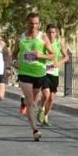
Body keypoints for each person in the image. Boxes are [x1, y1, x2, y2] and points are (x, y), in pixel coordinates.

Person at [14, 12, 54, 141]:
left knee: (34, 102)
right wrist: (14, 62)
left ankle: (24, 102)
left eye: (36, 23)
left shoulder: (43, 37)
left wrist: (40, 56)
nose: (33, 26)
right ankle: (35, 130)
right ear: (27, 23)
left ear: (39, 24)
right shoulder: (20, 38)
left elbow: (53, 55)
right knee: (31, 103)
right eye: (31, 23)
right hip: (24, 73)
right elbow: (14, 54)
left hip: (39, 74)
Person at [38, 24, 70, 126]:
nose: (51, 34)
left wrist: (59, 63)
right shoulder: (42, 43)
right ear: (46, 33)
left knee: (51, 98)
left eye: (53, 32)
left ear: (56, 33)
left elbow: (66, 57)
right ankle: (41, 110)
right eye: (49, 32)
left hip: (54, 74)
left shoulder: (59, 43)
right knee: (46, 94)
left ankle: (46, 117)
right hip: (44, 72)